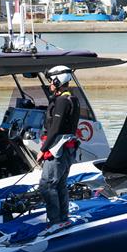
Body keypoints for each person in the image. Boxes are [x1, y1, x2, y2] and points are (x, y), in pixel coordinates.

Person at [36, 65, 80, 227]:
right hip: (68, 148)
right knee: (60, 184)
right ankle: (63, 218)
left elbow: (55, 128)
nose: (50, 85)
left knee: (47, 185)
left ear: (58, 80)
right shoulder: (72, 99)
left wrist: (43, 150)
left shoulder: (62, 101)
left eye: (51, 81)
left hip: (58, 149)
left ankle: (55, 221)